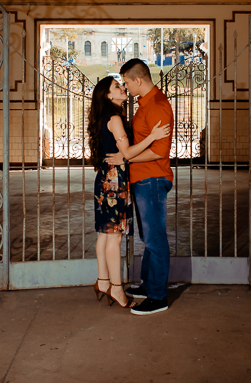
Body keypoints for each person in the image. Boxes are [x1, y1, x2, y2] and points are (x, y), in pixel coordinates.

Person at [87, 76, 170, 308]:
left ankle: (103, 282)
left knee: (104, 234)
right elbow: (128, 152)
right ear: (108, 95)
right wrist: (152, 137)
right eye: (117, 86)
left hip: (105, 175)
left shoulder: (104, 116)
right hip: (114, 178)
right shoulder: (114, 118)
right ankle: (116, 288)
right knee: (114, 235)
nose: (122, 88)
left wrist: (124, 155)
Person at [106, 58, 174, 315]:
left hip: (153, 178)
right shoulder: (144, 104)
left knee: (155, 239)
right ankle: (149, 286)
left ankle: (158, 297)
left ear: (137, 80)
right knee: (148, 238)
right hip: (142, 178)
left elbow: (160, 151)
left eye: (126, 82)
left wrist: (127, 157)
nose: (125, 87)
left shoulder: (157, 105)